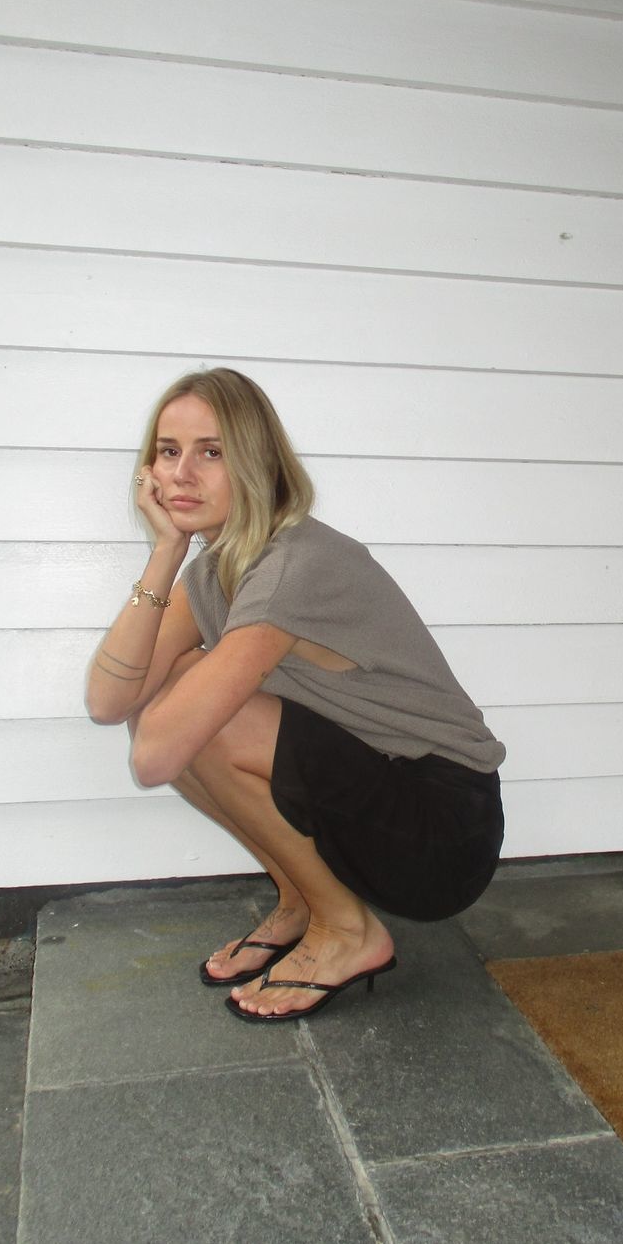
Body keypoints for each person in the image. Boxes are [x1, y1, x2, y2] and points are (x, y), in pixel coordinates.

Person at [86, 368, 505, 1022]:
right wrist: (166, 552)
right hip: (377, 791)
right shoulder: (216, 568)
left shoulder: (291, 567)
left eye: (211, 452)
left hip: (442, 827)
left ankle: (347, 931)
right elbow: (110, 701)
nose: (182, 474)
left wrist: (172, 699)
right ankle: (302, 902)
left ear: (257, 462)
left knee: (203, 718)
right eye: (168, 451)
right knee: (169, 693)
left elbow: (155, 757)